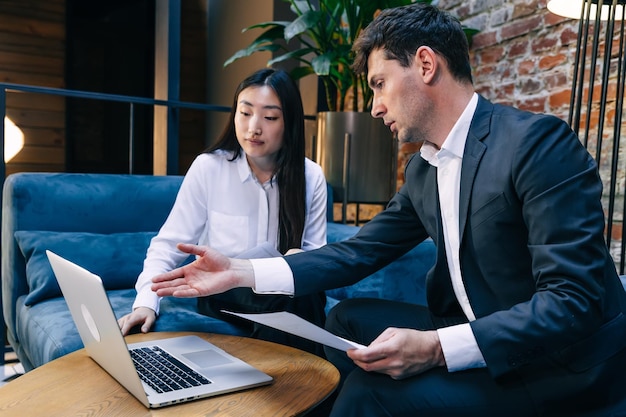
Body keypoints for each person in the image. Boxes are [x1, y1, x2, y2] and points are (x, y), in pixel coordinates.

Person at [147, 4, 626, 416]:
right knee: (347, 319)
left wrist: (437, 349)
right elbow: (355, 254)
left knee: (370, 392)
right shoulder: (424, 171)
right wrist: (239, 271)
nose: (374, 107)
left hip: (557, 365)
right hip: (471, 324)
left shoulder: (535, 144)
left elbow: (573, 302)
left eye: (379, 84)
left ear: (424, 64)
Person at [118, 68, 328, 356]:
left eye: (269, 117)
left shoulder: (311, 177)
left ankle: (280, 389)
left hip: (283, 292)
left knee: (301, 295)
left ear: (288, 122)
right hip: (221, 291)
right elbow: (168, 245)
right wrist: (145, 302)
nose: (253, 127)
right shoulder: (209, 168)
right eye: (245, 113)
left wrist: (300, 261)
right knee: (295, 304)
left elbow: (318, 260)